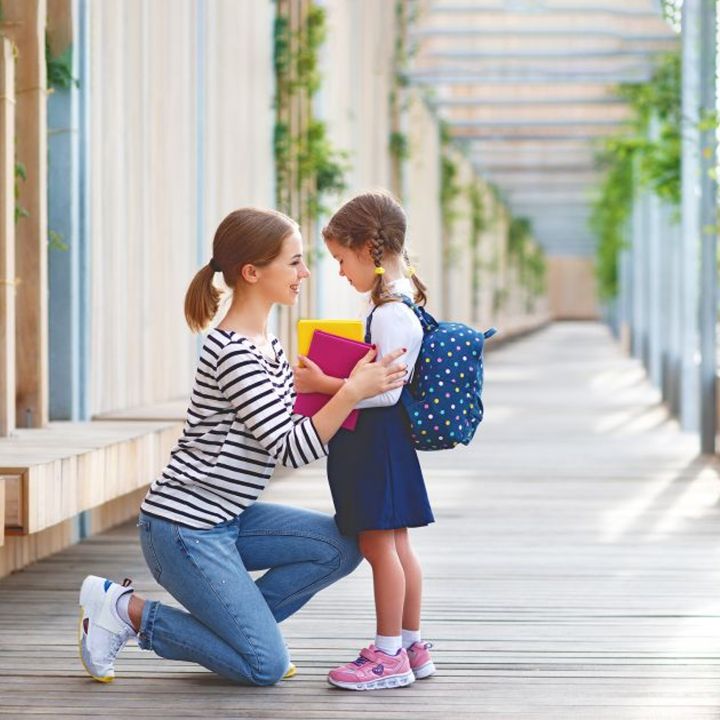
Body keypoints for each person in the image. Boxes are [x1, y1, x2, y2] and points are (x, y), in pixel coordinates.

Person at [78, 207, 408, 686]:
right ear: (252, 272)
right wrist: (352, 390)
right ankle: (126, 612)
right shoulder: (233, 352)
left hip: (228, 517)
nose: (306, 272)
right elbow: (291, 448)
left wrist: (336, 384)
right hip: (183, 529)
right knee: (263, 667)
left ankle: (239, 635)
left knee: (341, 546)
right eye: (294, 262)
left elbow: (290, 422)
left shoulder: (267, 345)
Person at [292, 191, 435, 691]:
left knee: (380, 549)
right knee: (397, 546)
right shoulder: (400, 305)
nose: (338, 272)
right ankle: (411, 644)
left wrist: (322, 385)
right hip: (386, 447)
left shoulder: (389, 313)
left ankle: (389, 652)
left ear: (368, 248)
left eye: (340, 259)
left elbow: (383, 395)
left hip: (374, 446)